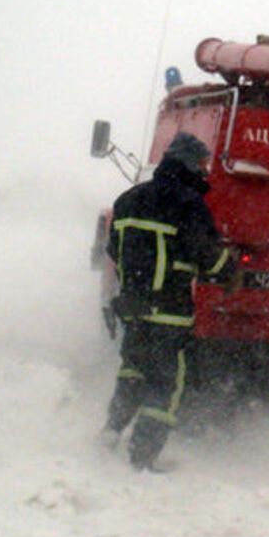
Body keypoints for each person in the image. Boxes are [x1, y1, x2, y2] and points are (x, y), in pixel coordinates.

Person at [101, 132, 233, 470]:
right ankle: (143, 457)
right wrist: (229, 269)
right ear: (188, 163)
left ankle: (111, 431)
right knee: (167, 385)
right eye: (202, 163)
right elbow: (205, 254)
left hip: (133, 309)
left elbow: (114, 250)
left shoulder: (128, 199)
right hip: (169, 312)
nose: (205, 171)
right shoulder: (188, 204)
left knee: (132, 372)